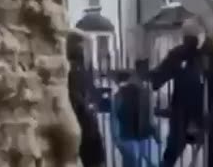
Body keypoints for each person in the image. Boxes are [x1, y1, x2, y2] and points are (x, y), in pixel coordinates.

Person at [149, 17, 213, 167]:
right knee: (172, 151)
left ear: (201, 34)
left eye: (191, 35)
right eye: (186, 36)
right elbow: (160, 75)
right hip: (182, 112)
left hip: (208, 111)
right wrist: (151, 79)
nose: (188, 40)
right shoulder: (179, 53)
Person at [67, 30, 105, 167]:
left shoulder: (81, 69)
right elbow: (77, 98)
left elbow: (90, 93)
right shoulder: (72, 70)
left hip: (88, 126)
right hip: (84, 127)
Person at [111, 70, 160, 167]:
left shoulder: (119, 95)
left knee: (131, 162)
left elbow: (114, 117)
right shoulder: (146, 94)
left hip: (126, 135)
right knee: (151, 160)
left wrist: (116, 138)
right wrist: (156, 135)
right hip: (144, 135)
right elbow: (151, 118)